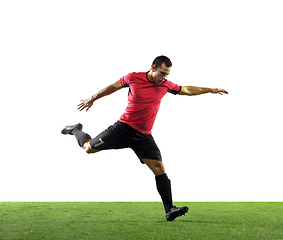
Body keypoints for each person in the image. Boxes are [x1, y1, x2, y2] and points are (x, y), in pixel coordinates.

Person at [61, 55, 228, 221]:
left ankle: (169, 209)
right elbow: (113, 87)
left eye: (167, 74)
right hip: (123, 128)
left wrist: (210, 90)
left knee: (159, 168)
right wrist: (93, 98)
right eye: (162, 73)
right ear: (153, 68)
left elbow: (186, 89)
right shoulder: (133, 77)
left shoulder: (166, 85)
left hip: (143, 136)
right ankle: (75, 130)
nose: (164, 77)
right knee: (88, 148)